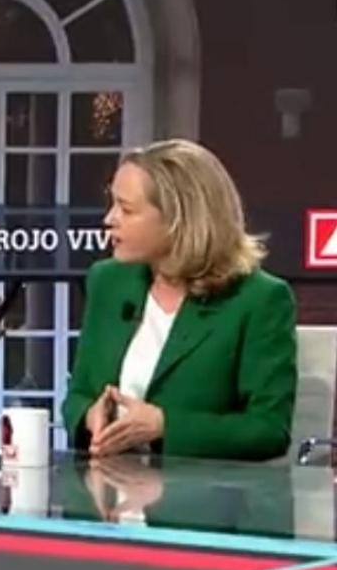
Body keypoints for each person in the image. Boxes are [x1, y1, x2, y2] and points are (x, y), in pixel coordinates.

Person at [62, 139, 297, 461]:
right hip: (108, 483)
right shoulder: (108, 281)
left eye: (126, 209)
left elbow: (268, 430)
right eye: (112, 204)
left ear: (178, 220)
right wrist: (90, 416)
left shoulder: (258, 299)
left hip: (202, 490)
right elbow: (78, 394)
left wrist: (164, 426)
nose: (109, 218)